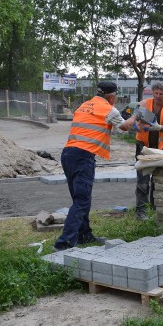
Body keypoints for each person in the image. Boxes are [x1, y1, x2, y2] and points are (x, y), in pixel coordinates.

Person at [54, 81, 128, 250]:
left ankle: (84, 235)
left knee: (79, 200)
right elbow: (124, 127)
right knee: (82, 201)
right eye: (115, 97)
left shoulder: (83, 106)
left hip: (68, 154)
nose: (115, 99)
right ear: (110, 96)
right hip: (83, 156)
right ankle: (63, 244)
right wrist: (135, 117)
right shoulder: (109, 109)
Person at [121, 82, 163, 220]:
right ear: (152, 93)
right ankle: (141, 211)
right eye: (156, 93)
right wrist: (132, 124)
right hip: (143, 146)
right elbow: (134, 117)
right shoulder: (144, 103)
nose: (158, 96)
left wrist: (157, 127)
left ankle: (155, 208)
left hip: (160, 148)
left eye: (161, 94)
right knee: (142, 179)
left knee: (158, 179)